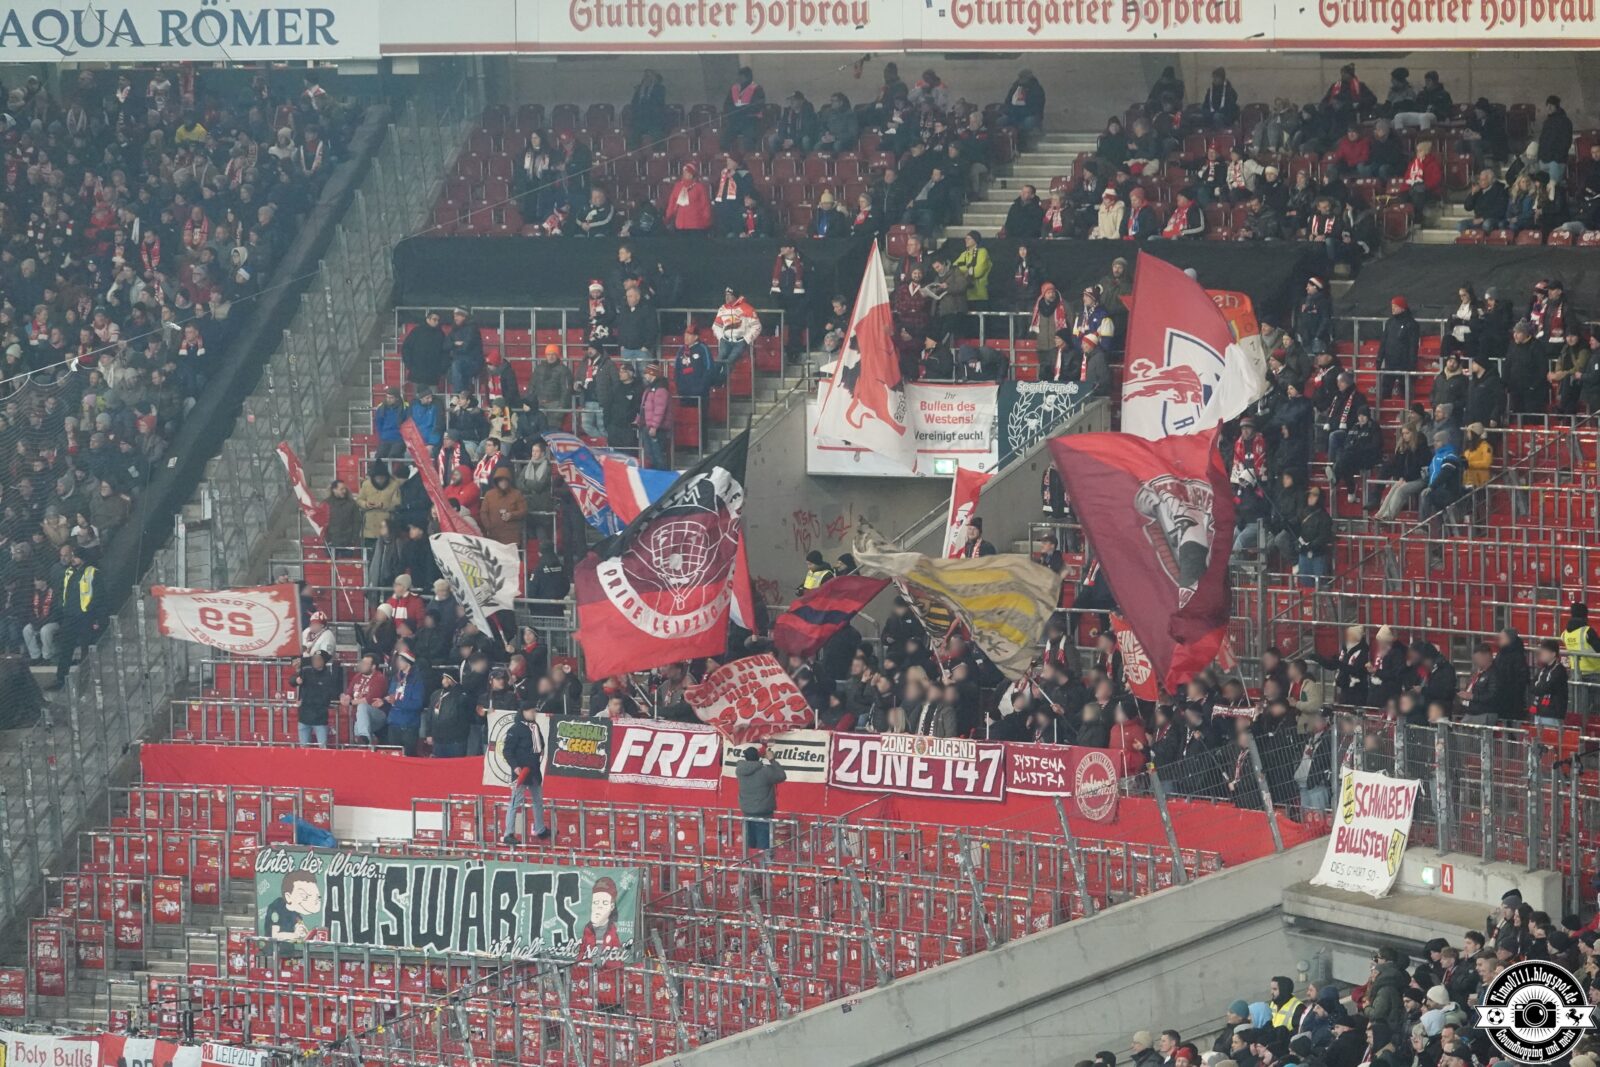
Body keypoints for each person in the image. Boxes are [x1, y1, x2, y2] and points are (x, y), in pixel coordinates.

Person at [502, 702, 549, 844]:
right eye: (531, 711)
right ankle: (508, 833)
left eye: (534, 711)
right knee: (516, 801)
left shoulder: (535, 726)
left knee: (538, 800)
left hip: (534, 768)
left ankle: (540, 828)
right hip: (522, 769)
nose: (533, 714)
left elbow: (540, 744)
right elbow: (507, 750)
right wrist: (515, 766)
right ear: (523, 712)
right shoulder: (516, 729)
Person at [736, 744, 787, 855]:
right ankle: (763, 870)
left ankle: (749, 869)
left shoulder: (740, 771)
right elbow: (782, 775)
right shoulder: (765, 772)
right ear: (758, 757)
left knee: (748, 848)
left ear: (745, 757)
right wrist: (772, 760)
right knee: (764, 849)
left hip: (746, 813)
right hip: (764, 815)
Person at [291, 650, 341, 748]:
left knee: (322, 748)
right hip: (304, 717)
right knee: (303, 748)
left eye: (318, 659)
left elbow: (328, 696)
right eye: (314, 659)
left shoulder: (328, 677)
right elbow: (292, 681)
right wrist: (296, 679)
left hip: (320, 718)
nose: (315, 661)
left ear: (324, 661)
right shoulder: (305, 671)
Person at [712, 286, 761, 382]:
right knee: (720, 357)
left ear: (735, 297)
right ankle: (712, 379)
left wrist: (746, 339)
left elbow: (757, 327)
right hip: (725, 340)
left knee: (730, 361)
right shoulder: (722, 309)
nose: (727, 297)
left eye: (729, 295)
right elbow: (716, 326)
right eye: (726, 295)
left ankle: (721, 382)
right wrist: (721, 337)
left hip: (740, 342)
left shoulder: (747, 308)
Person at [1378, 296, 1420, 401]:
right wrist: (1379, 358)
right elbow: (1383, 342)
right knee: (1385, 391)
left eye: (1395, 306)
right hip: (1390, 363)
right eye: (1392, 306)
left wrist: (1412, 364)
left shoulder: (1411, 324)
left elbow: (1413, 346)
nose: (1393, 309)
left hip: (1404, 364)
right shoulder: (1389, 322)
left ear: (1402, 308)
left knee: (1406, 392)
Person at [636, 364, 671, 469]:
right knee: (650, 455)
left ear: (652, 373)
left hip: (656, 429)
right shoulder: (650, 388)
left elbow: (659, 410)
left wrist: (654, 426)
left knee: (658, 455)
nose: (645, 376)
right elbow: (644, 407)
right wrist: (639, 420)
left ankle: (662, 477)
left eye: (646, 373)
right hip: (647, 426)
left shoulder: (660, 390)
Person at [1537, 95, 1574, 191]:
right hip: (1544, 160)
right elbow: (1542, 140)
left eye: (1551, 105)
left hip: (1556, 161)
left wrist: (1557, 158)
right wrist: (1540, 157)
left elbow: (1566, 141)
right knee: (1544, 190)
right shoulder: (1547, 122)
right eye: (1547, 105)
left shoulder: (1565, 121)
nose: (1548, 108)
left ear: (1557, 106)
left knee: (1554, 189)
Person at [1530, 639, 1569, 725]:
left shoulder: (1559, 670)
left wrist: (1538, 686)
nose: (1541, 654)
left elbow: (1546, 687)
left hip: (1552, 714)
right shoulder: (1543, 669)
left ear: (1553, 654)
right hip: (1539, 711)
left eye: (1544, 652)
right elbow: (1532, 686)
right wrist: (1538, 687)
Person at [447, 307, 484, 395]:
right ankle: (464, 394)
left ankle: (458, 394)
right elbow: (445, 345)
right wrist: (455, 344)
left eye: (457, 315)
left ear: (464, 316)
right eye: (454, 315)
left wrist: (453, 350)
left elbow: (466, 347)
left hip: (473, 362)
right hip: (460, 361)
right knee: (454, 368)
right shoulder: (454, 329)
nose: (455, 318)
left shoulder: (472, 329)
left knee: (456, 366)